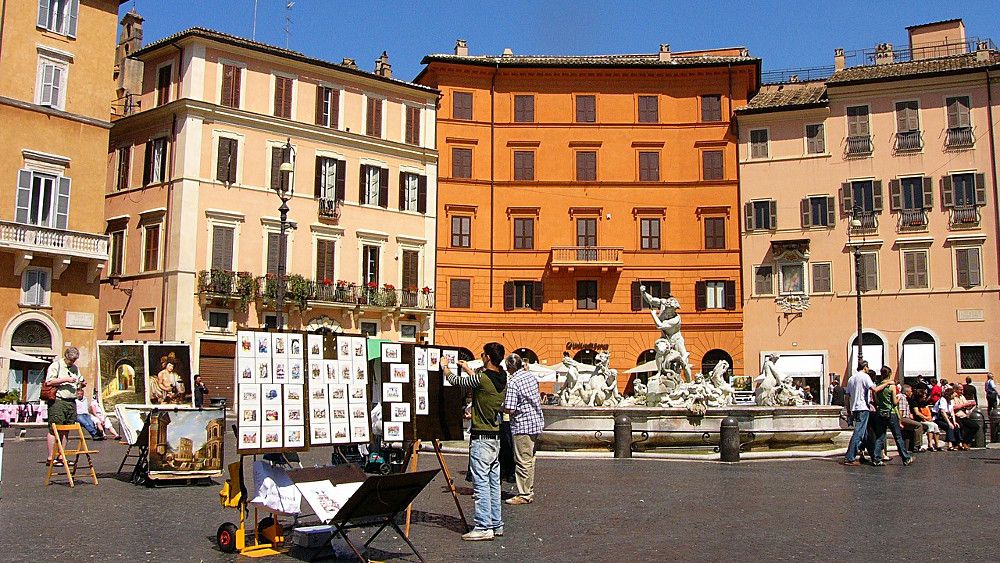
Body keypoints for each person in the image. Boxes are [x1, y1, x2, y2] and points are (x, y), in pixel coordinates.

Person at [444, 342, 507, 541]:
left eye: (483, 354)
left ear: (488, 357)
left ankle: (483, 526)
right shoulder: (502, 377)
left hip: (481, 437)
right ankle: (497, 524)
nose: (481, 356)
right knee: (493, 483)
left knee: (480, 485)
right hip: (495, 437)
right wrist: (466, 368)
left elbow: (456, 382)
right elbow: (482, 381)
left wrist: (445, 366)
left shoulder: (483, 378)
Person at [501, 353, 544, 506]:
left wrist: (499, 408)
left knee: (522, 460)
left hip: (522, 425)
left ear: (509, 368)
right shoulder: (530, 377)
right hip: (535, 422)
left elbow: (511, 409)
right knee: (530, 459)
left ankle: (524, 494)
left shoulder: (514, 382)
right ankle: (528, 490)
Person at [45, 347, 85, 466]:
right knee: (55, 428)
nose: (72, 362)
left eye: (74, 360)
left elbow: (79, 380)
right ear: (66, 356)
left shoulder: (75, 368)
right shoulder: (56, 366)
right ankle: (51, 457)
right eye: (71, 360)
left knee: (66, 429)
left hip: (71, 401)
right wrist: (66, 379)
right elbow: (49, 382)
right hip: (58, 400)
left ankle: (62, 456)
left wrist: (81, 383)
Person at [870, 367, 913, 466]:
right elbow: (894, 402)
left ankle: (876, 458)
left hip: (880, 413)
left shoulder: (878, 386)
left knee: (880, 437)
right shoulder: (892, 386)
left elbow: (876, 401)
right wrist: (898, 398)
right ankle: (905, 458)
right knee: (898, 436)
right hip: (891, 413)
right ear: (889, 374)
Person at [842, 361, 876, 466]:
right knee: (859, 432)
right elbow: (874, 389)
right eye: (867, 367)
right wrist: (887, 384)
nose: (868, 368)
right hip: (863, 407)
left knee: (865, 434)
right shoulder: (865, 377)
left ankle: (874, 456)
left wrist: (848, 410)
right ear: (865, 367)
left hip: (854, 408)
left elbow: (847, 396)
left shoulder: (851, 379)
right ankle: (850, 457)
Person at [898, 384, 924, 453]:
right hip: (903, 418)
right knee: (919, 425)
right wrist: (900, 422)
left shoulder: (905, 398)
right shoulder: (902, 398)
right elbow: (901, 410)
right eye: (911, 391)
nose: (911, 393)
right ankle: (917, 446)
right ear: (907, 392)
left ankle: (911, 446)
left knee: (912, 428)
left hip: (906, 417)